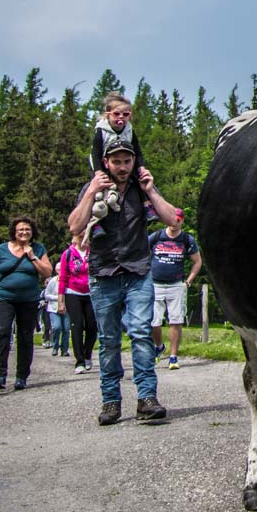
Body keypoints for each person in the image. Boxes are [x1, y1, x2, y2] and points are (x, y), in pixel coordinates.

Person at [68, 137, 179, 425]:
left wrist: (151, 189)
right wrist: (92, 190)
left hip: (137, 271)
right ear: (106, 163)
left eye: (127, 161)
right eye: (116, 161)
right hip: (103, 273)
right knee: (108, 340)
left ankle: (146, 398)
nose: (122, 166)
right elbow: (74, 226)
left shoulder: (139, 190)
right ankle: (111, 401)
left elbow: (172, 219)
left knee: (141, 332)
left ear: (133, 162)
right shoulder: (94, 189)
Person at [0, 216, 52, 391]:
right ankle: (0, 375)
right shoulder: (2, 250)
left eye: (27, 229)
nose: (24, 232)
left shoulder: (38, 249)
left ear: (32, 232)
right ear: (14, 232)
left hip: (29, 299)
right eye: (21, 229)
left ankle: (21, 376)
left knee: (25, 336)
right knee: (2, 332)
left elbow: (47, 272)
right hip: (4, 297)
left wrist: (32, 257)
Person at [84, 92, 156, 244]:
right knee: (98, 191)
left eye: (126, 114)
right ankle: (96, 222)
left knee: (140, 180)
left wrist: (141, 167)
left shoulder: (129, 130)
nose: (121, 117)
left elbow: (138, 151)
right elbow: (95, 152)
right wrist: (98, 171)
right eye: (116, 114)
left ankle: (147, 205)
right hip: (103, 164)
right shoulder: (101, 130)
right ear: (108, 115)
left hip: (126, 162)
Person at [148, 207, 201, 370]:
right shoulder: (157, 236)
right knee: (153, 321)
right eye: (172, 219)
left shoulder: (187, 239)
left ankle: (173, 356)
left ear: (182, 221)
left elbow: (197, 261)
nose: (174, 222)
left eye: (178, 219)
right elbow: (141, 253)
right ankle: (158, 346)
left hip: (176, 285)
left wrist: (189, 281)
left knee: (175, 321)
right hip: (155, 284)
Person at [58, 235, 97, 375]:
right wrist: (60, 301)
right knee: (77, 325)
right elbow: (62, 278)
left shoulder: (94, 252)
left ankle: (87, 354)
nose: (84, 240)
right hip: (72, 293)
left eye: (87, 237)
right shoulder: (68, 254)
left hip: (92, 292)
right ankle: (79, 360)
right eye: (81, 238)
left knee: (92, 326)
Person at [44, 269, 69, 357]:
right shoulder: (53, 281)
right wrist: (58, 297)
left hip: (66, 308)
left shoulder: (69, 280)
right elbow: (46, 294)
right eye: (60, 270)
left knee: (66, 329)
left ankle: (65, 349)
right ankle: (55, 346)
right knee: (56, 327)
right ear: (57, 271)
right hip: (54, 308)